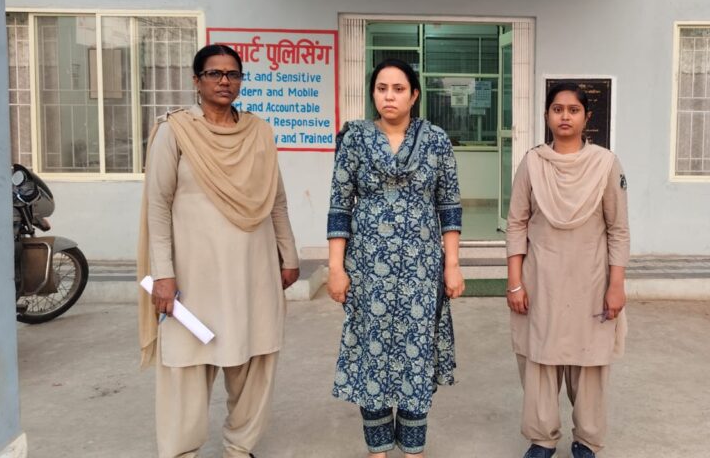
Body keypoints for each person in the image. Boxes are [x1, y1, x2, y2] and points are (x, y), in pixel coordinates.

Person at [137, 44, 300, 458]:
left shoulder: (259, 132)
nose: (225, 81)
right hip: (194, 273)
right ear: (197, 81)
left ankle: (240, 447)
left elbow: (276, 199)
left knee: (255, 357)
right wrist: (163, 273)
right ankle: (180, 451)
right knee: (186, 362)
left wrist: (289, 255)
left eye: (233, 74)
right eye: (214, 73)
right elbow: (158, 205)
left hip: (252, 268)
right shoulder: (175, 131)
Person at [326, 58, 465, 458]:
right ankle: (378, 451)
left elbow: (449, 206)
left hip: (422, 269)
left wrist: (452, 264)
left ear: (414, 95)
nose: (389, 96)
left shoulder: (436, 140)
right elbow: (340, 206)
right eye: (382, 88)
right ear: (373, 94)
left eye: (399, 89)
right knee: (371, 354)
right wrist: (336, 268)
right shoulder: (354, 139)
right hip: (367, 268)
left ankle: (413, 450)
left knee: (415, 355)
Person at [506, 82, 630, 458]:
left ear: (586, 117)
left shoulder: (605, 164)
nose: (565, 116)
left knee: (589, 360)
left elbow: (618, 228)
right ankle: (542, 439)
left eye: (573, 110)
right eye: (557, 109)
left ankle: (587, 440)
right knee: (540, 357)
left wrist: (616, 285)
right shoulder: (532, 163)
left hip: (591, 280)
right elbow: (516, 223)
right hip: (541, 279)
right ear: (547, 115)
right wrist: (515, 283)